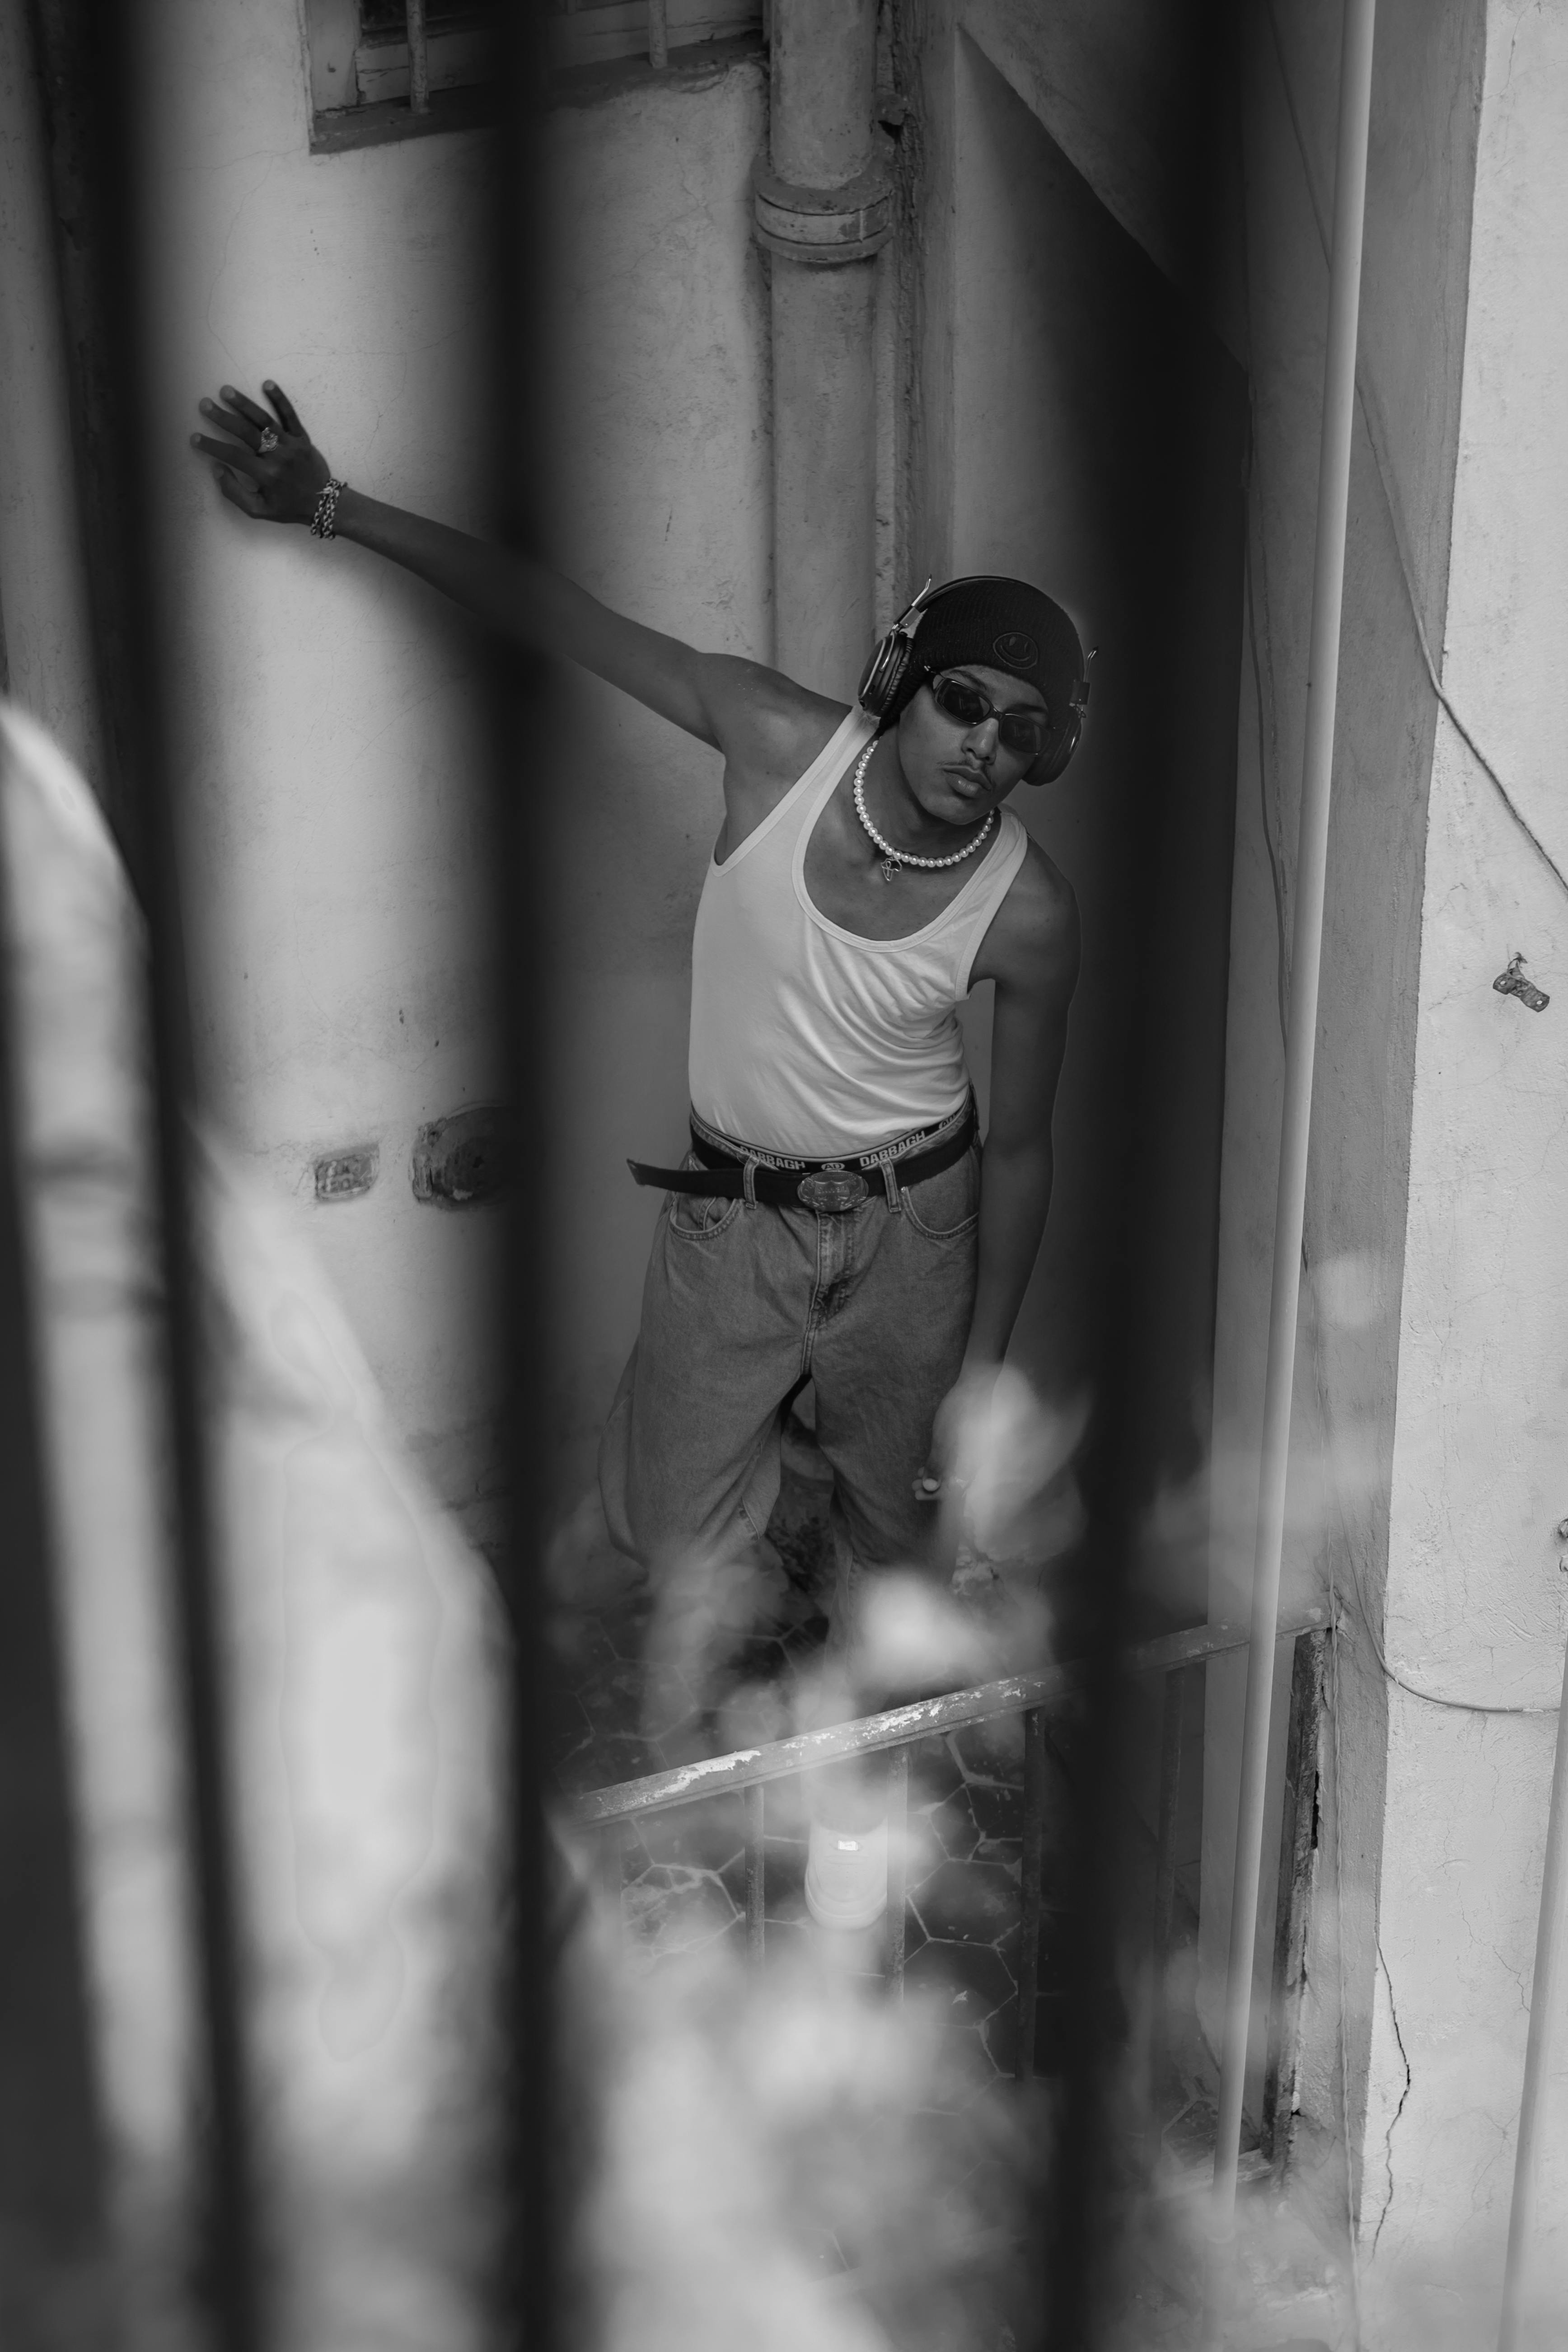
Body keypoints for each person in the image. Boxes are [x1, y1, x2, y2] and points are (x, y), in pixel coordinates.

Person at [191, 380, 1086, 1930]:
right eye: (964, 704)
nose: (986, 750)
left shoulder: (1029, 909)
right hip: (736, 1221)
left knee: (906, 1533)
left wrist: (981, 1374)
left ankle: (888, 1830)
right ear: (902, 685)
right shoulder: (772, 740)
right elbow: (557, 616)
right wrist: (331, 507)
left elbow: (1024, 1154)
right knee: (644, 1520)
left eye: (1022, 732)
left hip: (915, 1237)